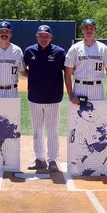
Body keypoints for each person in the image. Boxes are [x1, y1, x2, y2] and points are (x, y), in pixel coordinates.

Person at [22, 25, 66, 172]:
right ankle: (40, 159)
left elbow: (67, 71)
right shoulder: (29, 51)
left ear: (51, 37)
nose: (44, 38)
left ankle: (53, 160)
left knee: (53, 130)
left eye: (46, 36)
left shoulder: (59, 53)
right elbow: (24, 71)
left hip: (53, 97)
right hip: (34, 97)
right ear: (36, 36)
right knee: (37, 130)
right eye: (41, 35)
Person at [65, 19, 107, 106]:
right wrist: (71, 95)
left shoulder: (103, 48)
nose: (89, 30)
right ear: (82, 30)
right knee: (78, 118)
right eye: (86, 28)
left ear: (95, 30)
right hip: (79, 87)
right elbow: (67, 73)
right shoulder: (75, 48)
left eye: (92, 28)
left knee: (97, 118)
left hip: (97, 88)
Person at [68, 101, 107, 176]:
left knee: (101, 143)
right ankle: (103, 172)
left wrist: (105, 135)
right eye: (86, 111)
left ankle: (98, 171)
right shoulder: (87, 125)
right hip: (85, 163)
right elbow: (98, 148)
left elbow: (93, 142)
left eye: (91, 110)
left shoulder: (77, 122)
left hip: (75, 161)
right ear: (80, 113)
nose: (90, 113)